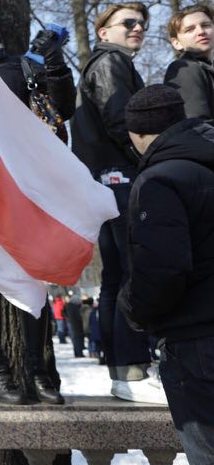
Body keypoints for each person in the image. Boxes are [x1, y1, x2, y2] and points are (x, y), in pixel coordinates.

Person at [0, 7, 72, 405]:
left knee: (34, 274)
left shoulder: (20, 66)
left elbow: (63, 110)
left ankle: (37, 368)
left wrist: (54, 63)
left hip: (29, 183)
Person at [118, 84, 214, 461]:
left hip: (196, 346)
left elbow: (163, 268)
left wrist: (133, 308)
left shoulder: (160, 180)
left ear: (136, 134)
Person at [70, 1, 156, 403]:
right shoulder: (109, 64)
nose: (137, 27)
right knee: (129, 272)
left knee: (116, 274)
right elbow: (122, 121)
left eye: (141, 23)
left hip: (106, 178)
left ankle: (124, 370)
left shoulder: (110, 63)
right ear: (103, 31)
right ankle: (133, 370)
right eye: (128, 22)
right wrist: (153, 158)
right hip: (118, 176)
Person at [164, 4, 214, 122]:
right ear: (177, 43)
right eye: (190, 29)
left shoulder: (207, 69)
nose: (201, 31)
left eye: (206, 25)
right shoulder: (183, 69)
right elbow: (196, 125)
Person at [65, 292, 85, 359]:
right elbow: (78, 317)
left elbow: (63, 313)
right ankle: (79, 353)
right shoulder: (74, 307)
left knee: (74, 339)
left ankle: (77, 353)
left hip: (70, 323)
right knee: (78, 339)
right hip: (76, 325)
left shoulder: (67, 305)